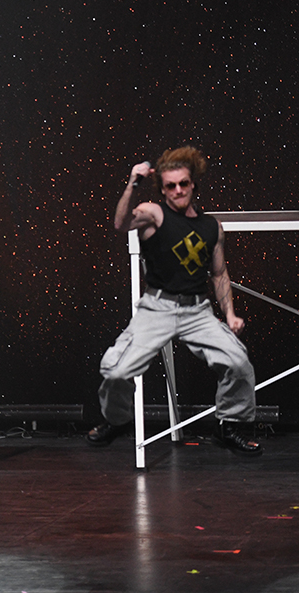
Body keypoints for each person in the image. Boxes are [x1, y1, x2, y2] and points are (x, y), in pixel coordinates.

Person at [87, 146, 262, 456]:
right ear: (163, 189)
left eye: (183, 183)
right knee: (115, 371)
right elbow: (121, 223)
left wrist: (230, 315)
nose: (178, 190)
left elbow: (219, 274)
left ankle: (228, 425)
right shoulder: (154, 214)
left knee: (238, 362)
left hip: (197, 311)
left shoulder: (211, 227)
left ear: (193, 183)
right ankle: (117, 420)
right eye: (170, 186)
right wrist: (133, 183)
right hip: (158, 309)